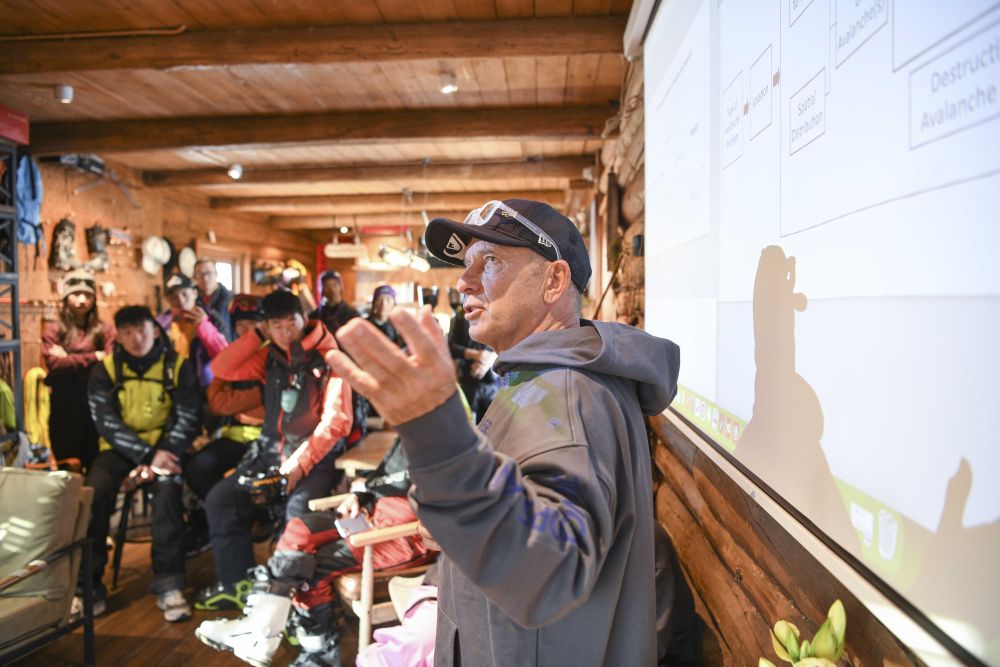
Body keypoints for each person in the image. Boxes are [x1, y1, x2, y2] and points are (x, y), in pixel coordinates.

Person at [326, 199, 681, 666]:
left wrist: (437, 437)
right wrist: (458, 518)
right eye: (466, 264)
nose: (463, 282)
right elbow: (521, 512)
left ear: (554, 280)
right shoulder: (535, 380)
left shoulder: (565, 395)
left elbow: (551, 571)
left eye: (490, 261)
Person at [195, 436, 433, 667]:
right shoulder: (412, 425)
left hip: (404, 532)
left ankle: (317, 654)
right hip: (372, 512)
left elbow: (418, 483)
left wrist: (369, 488)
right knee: (298, 528)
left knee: (311, 568)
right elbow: (389, 471)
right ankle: (259, 627)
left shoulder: (442, 432)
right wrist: (361, 494)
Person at [197, 289, 353, 611]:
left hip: (316, 459)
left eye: (291, 323)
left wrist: (300, 464)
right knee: (221, 499)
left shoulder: (330, 357)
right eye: (276, 326)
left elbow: (337, 422)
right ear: (266, 327)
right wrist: (257, 335)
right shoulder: (269, 356)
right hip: (269, 454)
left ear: (304, 318)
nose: (286, 333)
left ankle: (293, 602)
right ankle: (237, 585)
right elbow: (221, 368)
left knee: (297, 513)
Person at [79, 305, 202, 621]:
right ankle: (87, 588)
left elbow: (189, 418)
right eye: (128, 332)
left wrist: (160, 455)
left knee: (168, 494)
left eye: (142, 330)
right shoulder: (105, 370)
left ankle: (169, 584)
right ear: (118, 336)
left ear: (155, 330)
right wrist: (145, 457)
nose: (136, 338)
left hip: (165, 448)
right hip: (119, 450)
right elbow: (106, 423)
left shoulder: (177, 366)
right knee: (93, 495)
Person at [184, 295, 268, 562]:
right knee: (197, 468)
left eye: (253, 324)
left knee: (248, 478)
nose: (246, 330)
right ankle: (232, 516)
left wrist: (242, 400)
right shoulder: (230, 357)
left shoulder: (273, 356)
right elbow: (218, 402)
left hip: (269, 437)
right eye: (241, 325)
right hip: (235, 435)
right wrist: (259, 394)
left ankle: (252, 515)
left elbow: (271, 403)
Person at [41, 269, 115, 469]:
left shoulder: (105, 329)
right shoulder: (53, 329)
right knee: (67, 465)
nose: (82, 300)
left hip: (97, 403)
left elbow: (110, 363)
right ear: (66, 297)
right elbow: (54, 364)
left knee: (96, 464)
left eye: (87, 295)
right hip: (64, 404)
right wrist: (94, 356)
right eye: (76, 294)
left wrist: (69, 358)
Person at [158, 273, 228, 390]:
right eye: (174, 297)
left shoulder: (213, 319)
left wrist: (203, 326)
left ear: (195, 293)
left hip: (205, 387)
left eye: (184, 294)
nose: (181, 301)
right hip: (172, 386)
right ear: (167, 300)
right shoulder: (161, 325)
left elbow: (225, 355)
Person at [447, 287, 499, 423]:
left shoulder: (496, 315)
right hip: (467, 384)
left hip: (492, 385)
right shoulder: (460, 317)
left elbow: (508, 344)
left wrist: (489, 359)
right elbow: (451, 347)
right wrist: (476, 355)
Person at [194, 258, 234, 340]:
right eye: (200, 274)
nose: (205, 278)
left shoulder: (231, 299)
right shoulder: (190, 299)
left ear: (216, 274)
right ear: (195, 277)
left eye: (208, 273)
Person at [309, 270, 359, 335]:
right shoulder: (314, 316)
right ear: (321, 289)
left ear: (340, 287)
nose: (332, 290)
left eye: (335, 285)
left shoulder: (352, 315)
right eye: (327, 286)